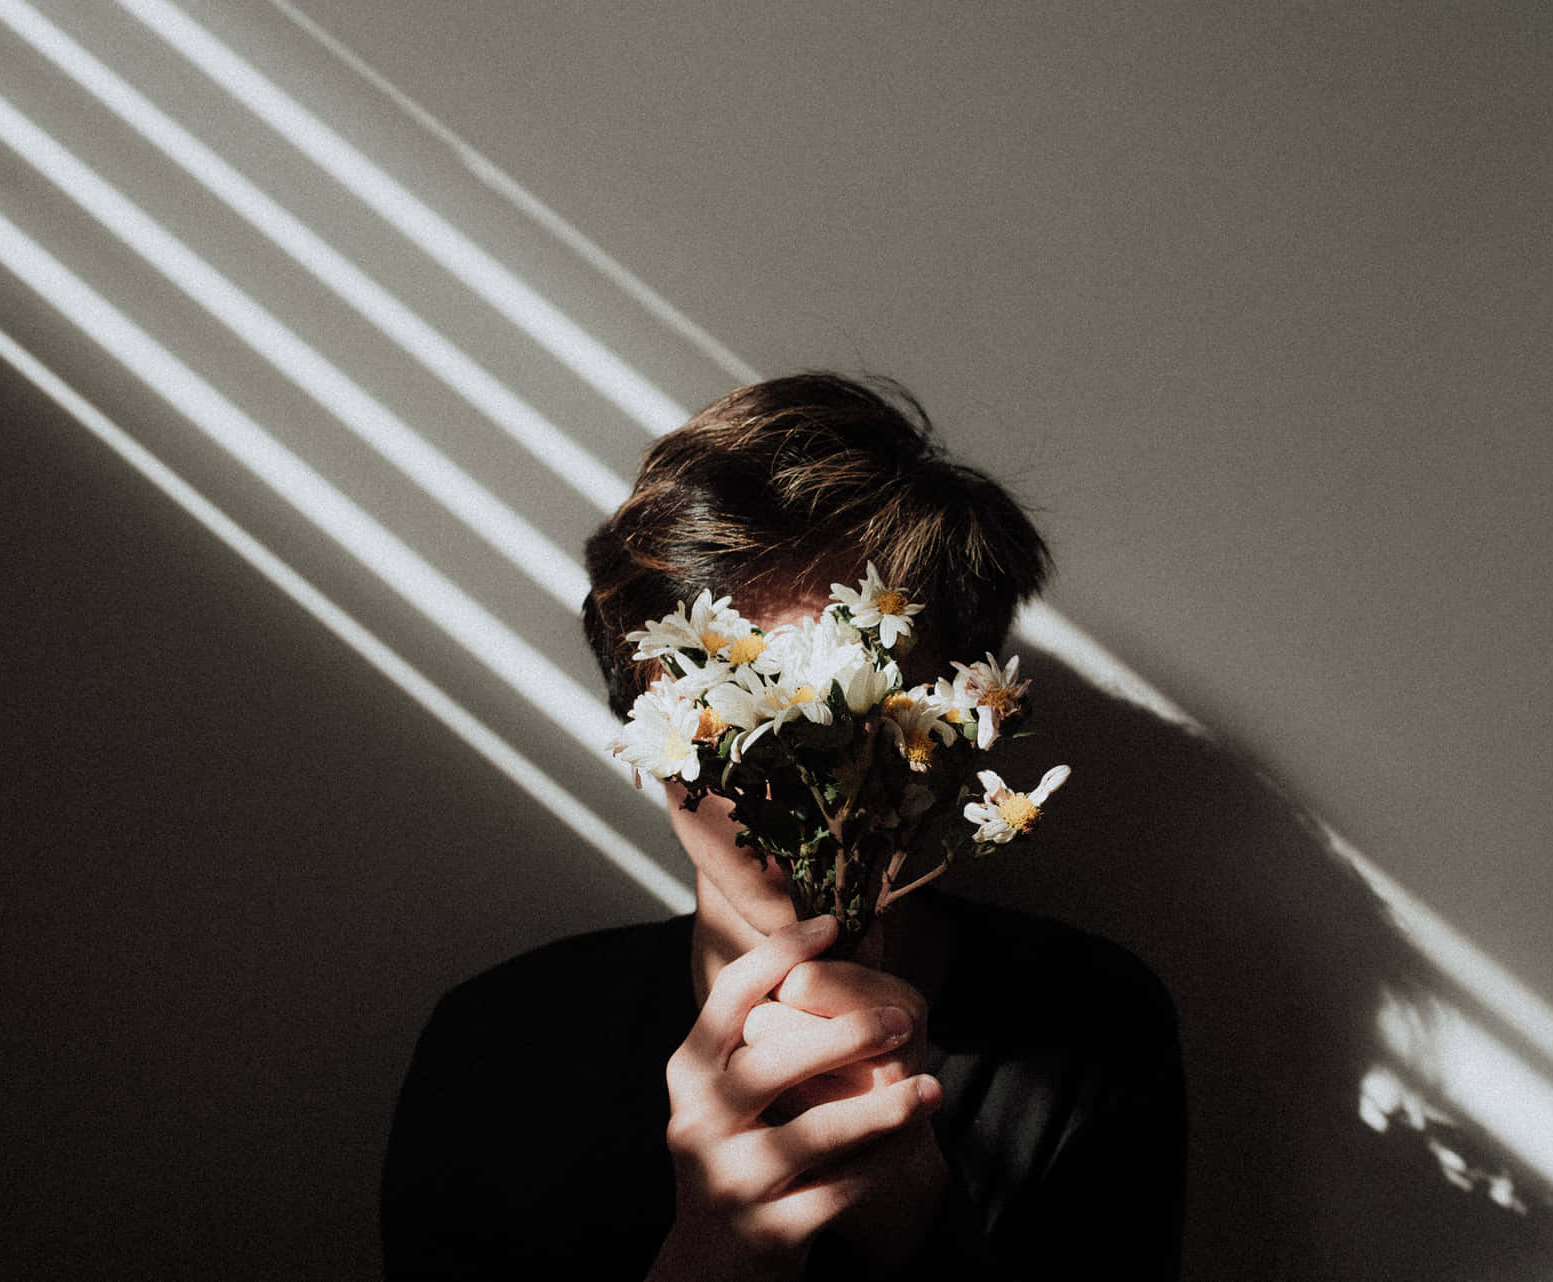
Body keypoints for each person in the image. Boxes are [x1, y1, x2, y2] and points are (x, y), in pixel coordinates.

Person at [381, 374, 1187, 1279]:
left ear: (957, 727)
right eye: (731, 719)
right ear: (647, 730)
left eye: (855, 716)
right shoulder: (502, 1052)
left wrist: (917, 1230)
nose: (793, 782)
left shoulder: (1084, 1029)